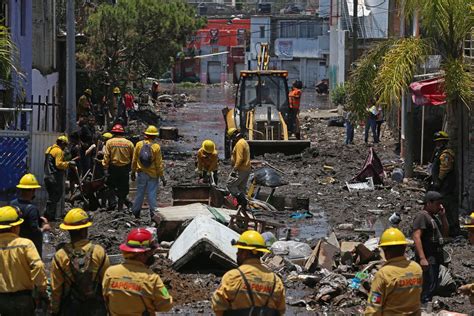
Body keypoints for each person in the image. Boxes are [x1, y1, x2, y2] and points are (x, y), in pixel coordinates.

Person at [50, 208, 110, 316]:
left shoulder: (60, 255)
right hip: (96, 308)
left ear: (68, 230)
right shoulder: (99, 251)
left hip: (71, 309)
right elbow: (107, 283)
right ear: (84, 230)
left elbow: (56, 289)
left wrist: (54, 310)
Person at [211, 230, 285, 315]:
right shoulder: (275, 281)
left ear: (244, 253)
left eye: (239, 250)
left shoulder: (232, 277)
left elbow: (217, 305)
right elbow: (281, 310)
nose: (237, 253)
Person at [102, 228, 173, 315]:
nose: (152, 254)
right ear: (142, 254)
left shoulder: (110, 273)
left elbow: (105, 299)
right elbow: (166, 306)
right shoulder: (152, 278)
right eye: (151, 252)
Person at [0, 205, 48, 315]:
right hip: (23, 299)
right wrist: (42, 289)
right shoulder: (26, 244)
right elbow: (38, 266)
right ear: (14, 227)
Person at [365, 228, 423, 315]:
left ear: (385, 251)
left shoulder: (384, 273)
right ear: (404, 248)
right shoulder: (416, 268)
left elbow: (374, 307)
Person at [412, 191, 449, 304]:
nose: (440, 207)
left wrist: (443, 216)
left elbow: (446, 233)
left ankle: (426, 306)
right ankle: (422, 308)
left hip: (435, 257)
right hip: (428, 257)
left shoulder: (434, 218)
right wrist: (422, 258)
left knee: (432, 284)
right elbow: (416, 236)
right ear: (429, 203)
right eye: (437, 204)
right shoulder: (422, 216)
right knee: (426, 285)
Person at [10, 173, 51, 258]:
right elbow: (35, 230)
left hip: (16, 244)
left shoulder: (12, 204)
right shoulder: (32, 209)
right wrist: (45, 227)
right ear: (32, 190)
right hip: (30, 248)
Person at [131, 125, 165, 219]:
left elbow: (134, 160)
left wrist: (133, 172)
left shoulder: (138, 144)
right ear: (154, 136)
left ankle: (136, 212)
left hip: (141, 173)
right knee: (152, 194)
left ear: (146, 134)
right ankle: (153, 214)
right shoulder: (156, 147)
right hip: (153, 175)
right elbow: (159, 164)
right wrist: (162, 176)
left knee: (140, 193)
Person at [430, 131, 459, 236]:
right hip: (443, 185)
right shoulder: (439, 152)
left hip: (447, 186)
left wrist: (438, 180)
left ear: (444, 142)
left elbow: (444, 169)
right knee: (443, 206)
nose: (437, 144)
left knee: (448, 206)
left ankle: (453, 229)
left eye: (439, 142)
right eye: (436, 142)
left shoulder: (446, 154)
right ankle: (447, 228)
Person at [102, 123, 134, 211]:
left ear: (113, 133)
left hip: (113, 168)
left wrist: (105, 167)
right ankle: (120, 208)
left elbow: (106, 156)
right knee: (123, 189)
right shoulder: (129, 143)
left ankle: (112, 204)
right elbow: (133, 158)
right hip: (124, 169)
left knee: (111, 187)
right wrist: (133, 170)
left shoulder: (109, 142)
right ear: (123, 133)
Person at [44, 135, 76, 220]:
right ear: (62, 143)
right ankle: (49, 216)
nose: (65, 147)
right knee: (56, 195)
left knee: (51, 196)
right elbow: (58, 164)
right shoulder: (58, 151)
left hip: (47, 176)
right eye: (65, 145)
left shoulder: (49, 149)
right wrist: (68, 164)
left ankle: (48, 215)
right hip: (54, 176)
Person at [226, 128, 251, 211]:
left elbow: (239, 159)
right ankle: (242, 208)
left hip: (240, 169)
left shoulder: (239, 144)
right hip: (246, 169)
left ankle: (243, 201)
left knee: (230, 185)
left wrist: (235, 169)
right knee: (241, 188)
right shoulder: (244, 142)